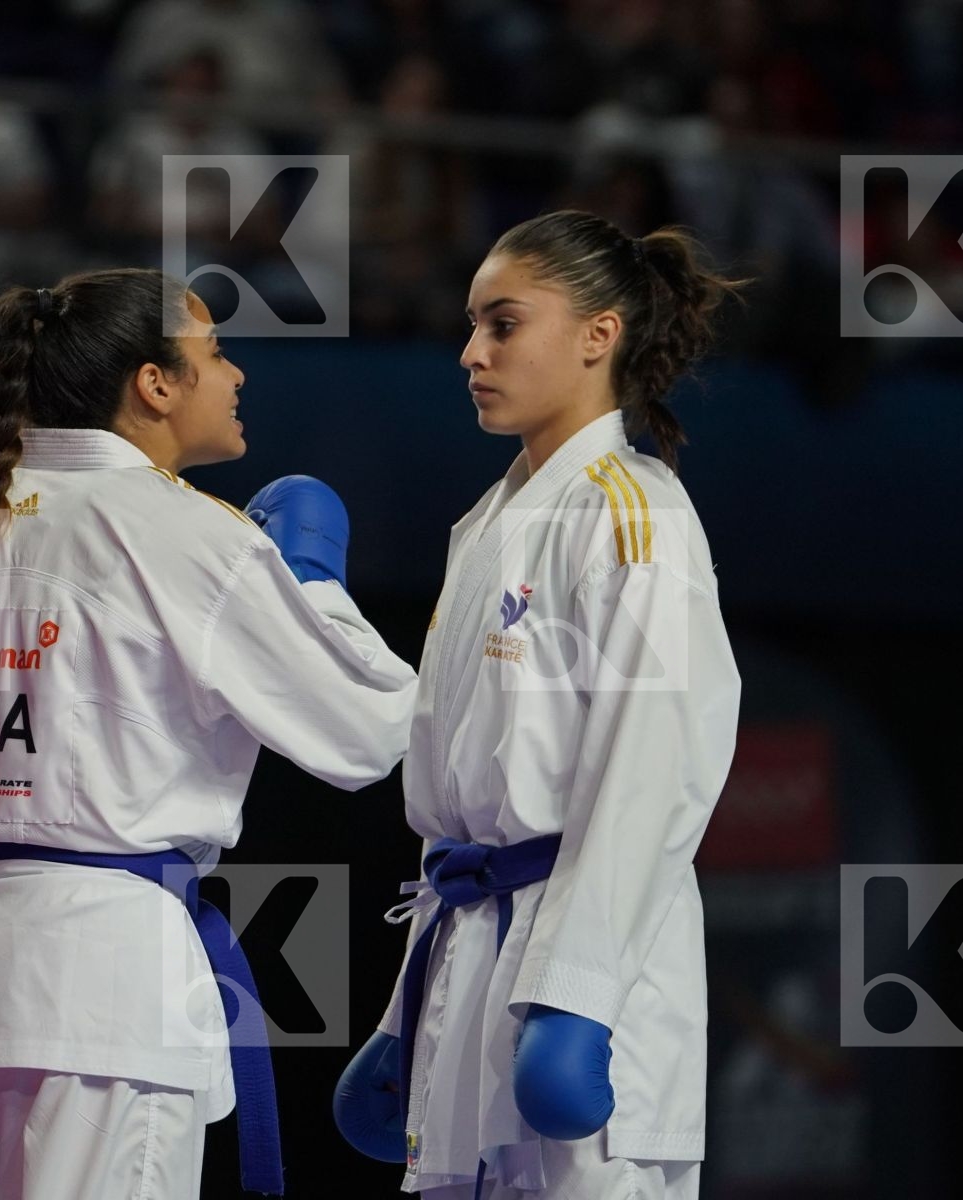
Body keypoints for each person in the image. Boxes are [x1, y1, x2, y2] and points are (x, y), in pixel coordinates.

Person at [0, 267, 417, 1199]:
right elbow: (369, 728)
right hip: (106, 992)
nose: (236, 376)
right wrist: (314, 584)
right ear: (155, 384)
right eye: (215, 353)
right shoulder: (185, 532)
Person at [333, 211, 746, 1198]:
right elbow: (456, 803)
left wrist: (579, 1000)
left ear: (599, 334)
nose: (472, 352)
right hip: (472, 959)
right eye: (473, 325)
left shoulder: (636, 513)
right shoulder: (487, 521)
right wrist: (402, 1011)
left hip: (588, 974)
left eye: (504, 323)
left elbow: (658, 770)